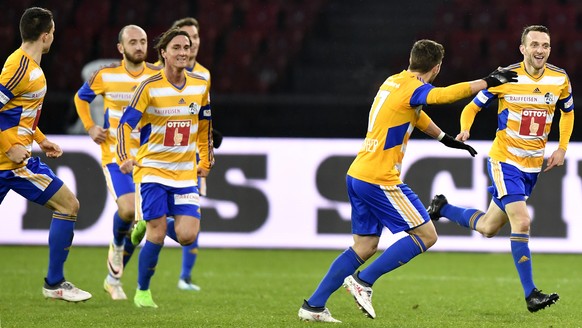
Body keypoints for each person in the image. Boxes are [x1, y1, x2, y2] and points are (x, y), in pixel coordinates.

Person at [298, 39, 517, 323]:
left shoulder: (394, 82)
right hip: (380, 178)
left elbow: (417, 114)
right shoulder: (414, 87)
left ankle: (313, 306)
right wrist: (487, 81)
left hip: (358, 174)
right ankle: (363, 281)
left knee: (364, 246)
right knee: (426, 235)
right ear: (436, 67)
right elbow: (444, 96)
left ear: (412, 60)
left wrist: (444, 139)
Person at [427, 25, 573, 313]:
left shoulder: (560, 79)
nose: (540, 50)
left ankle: (442, 208)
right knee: (522, 222)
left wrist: (562, 148)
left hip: (532, 165)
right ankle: (531, 294)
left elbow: (567, 113)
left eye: (545, 45)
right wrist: (465, 129)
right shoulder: (506, 76)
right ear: (522, 48)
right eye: (534, 45)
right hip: (505, 160)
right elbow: (471, 107)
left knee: (489, 227)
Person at [117, 27, 213, 308]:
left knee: (187, 236)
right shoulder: (148, 86)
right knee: (157, 236)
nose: (183, 52)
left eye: (187, 47)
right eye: (177, 48)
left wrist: (206, 160)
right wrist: (124, 155)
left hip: (184, 173)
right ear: (163, 53)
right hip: (153, 170)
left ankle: (148, 221)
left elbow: (205, 127)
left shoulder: (200, 84)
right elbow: (125, 124)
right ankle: (142, 291)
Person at [0, 7, 92, 302]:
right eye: (53, 31)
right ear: (45, 35)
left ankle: (55, 282)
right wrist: (7, 146)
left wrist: (41, 139)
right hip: (7, 162)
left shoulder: (32, 67)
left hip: (19, 163)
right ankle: (54, 283)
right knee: (68, 204)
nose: (54, 36)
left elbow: (19, 115)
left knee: (68, 204)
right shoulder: (18, 67)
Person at [73, 25, 161, 300]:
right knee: (129, 210)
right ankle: (117, 244)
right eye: (133, 42)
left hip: (149, 158)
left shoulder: (157, 76)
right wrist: (89, 127)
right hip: (116, 155)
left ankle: (113, 277)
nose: (139, 46)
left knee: (141, 221)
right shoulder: (106, 74)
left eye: (143, 41)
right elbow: (81, 98)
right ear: (121, 48)